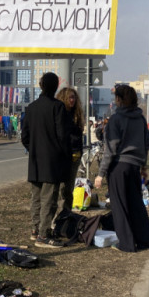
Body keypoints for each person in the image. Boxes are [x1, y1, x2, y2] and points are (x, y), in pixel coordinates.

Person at [94, 85, 149, 252]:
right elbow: (146, 143)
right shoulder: (140, 118)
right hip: (134, 165)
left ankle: (126, 243)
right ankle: (145, 239)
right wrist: (142, 166)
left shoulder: (116, 119)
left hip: (118, 166)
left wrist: (100, 174)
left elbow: (110, 149)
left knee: (119, 206)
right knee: (136, 204)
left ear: (119, 99)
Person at [21, 72, 71, 248]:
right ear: (56, 86)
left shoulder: (31, 107)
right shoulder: (58, 107)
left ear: (41, 86)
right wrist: (65, 155)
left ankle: (35, 230)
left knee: (36, 197)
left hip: (35, 160)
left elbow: (24, 136)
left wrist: (33, 148)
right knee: (49, 198)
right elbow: (63, 136)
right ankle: (44, 234)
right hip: (52, 160)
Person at [56, 87, 84, 215]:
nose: (72, 100)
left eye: (73, 97)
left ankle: (66, 216)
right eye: (69, 97)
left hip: (75, 154)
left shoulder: (76, 114)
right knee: (61, 189)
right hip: (62, 155)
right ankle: (59, 215)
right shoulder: (59, 113)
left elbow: (78, 135)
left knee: (68, 188)